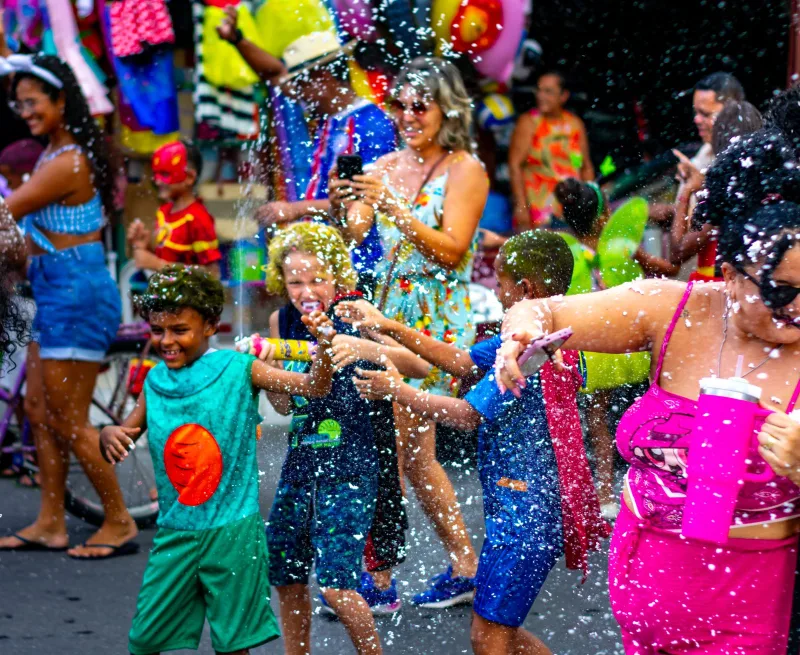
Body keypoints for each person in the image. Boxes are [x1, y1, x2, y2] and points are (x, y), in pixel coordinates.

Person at [495, 128, 800, 654]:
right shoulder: (673, 307)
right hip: (643, 580)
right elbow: (546, 309)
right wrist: (520, 332)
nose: (796, 306)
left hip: (746, 597)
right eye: (779, 290)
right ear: (728, 273)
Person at [339, 230, 609, 655]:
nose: (496, 293)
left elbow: (467, 416)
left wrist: (397, 390)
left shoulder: (526, 351)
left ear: (525, 290)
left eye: (500, 284)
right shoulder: (560, 338)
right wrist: (387, 325)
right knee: (498, 632)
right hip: (530, 508)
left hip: (525, 516)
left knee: (489, 637)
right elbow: (461, 360)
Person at [100, 265, 336, 655]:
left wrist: (325, 348)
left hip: (233, 533)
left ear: (211, 325)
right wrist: (108, 434)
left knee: (233, 643)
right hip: (176, 530)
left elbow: (315, 387)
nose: (166, 341)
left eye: (179, 330)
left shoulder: (238, 369)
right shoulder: (155, 382)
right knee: (144, 639)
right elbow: (126, 431)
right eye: (158, 331)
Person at [339, 56, 488, 607]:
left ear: (446, 107)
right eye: (398, 104)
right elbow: (358, 234)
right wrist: (347, 205)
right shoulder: (384, 165)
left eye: (418, 105)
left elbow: (452, 250)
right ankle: (455, 565)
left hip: (434, 318)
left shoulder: (465, 168)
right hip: (387, 311)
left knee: (403, 452)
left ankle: (384, 578)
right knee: (407, 452)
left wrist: (395, 209)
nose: (407, 115)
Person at [0, 54, 136, 559]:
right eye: (20, 103)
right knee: (38, 410)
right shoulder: (50, 154)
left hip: (76, 295)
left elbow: (7, 211)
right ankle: (50, 522)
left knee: (68, 418)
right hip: (53, 292)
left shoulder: (69, 161)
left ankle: (119, 520)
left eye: (33, 102)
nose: (25, 111)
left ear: (62, 101)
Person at [262, 222, 398, 654]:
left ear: (338, 275)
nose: (307, 290)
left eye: (318, 279)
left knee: (339, 586)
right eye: (294, 280)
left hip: (351, 465)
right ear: (280, 280)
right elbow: (284, 408)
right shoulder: (280, 320)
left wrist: (363, 351)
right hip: (300, 463)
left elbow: (406, 366)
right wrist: (267, 371)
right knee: (286, 574)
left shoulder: (355, 312)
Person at [216, 9, 397, 286]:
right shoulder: (329, 116)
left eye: (300, 87)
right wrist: (237, 39)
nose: (296, 95)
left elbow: (366, 201)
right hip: (328, 265)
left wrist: (295, 210)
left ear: (322, 78)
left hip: (361, 268)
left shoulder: (371, 126)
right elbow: (274, 75)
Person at [670, 101, 763, 282]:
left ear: (719, 141)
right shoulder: (764, 181)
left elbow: (677, 252)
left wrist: (688, 189)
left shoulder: (723, 193)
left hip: (717, 294)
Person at [649, 72, 745, 225]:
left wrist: (701, 187)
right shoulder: (704, 154)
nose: (697, 120)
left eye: (705, 114)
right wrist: (672, 210)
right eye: (696, 112)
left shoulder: (749, 159)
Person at [508, 71, 594, 231]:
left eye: (548, 91)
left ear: (563, 96)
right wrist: (520, 206)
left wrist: (591, 202)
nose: (541, 96)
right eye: (539, 90)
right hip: (538, 210)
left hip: (572, 209)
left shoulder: (575, 124)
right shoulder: (528, 123)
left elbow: (585, 166)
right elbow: (514, 166)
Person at [127, 140, 222, 275]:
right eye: (156, 174)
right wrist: (144, 246)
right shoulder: (164, 212)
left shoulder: (198, 219)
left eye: (165, 174)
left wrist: (156, 263)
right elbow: (170, 260)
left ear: (189, 177)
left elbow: (212, 274)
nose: (158, 181)